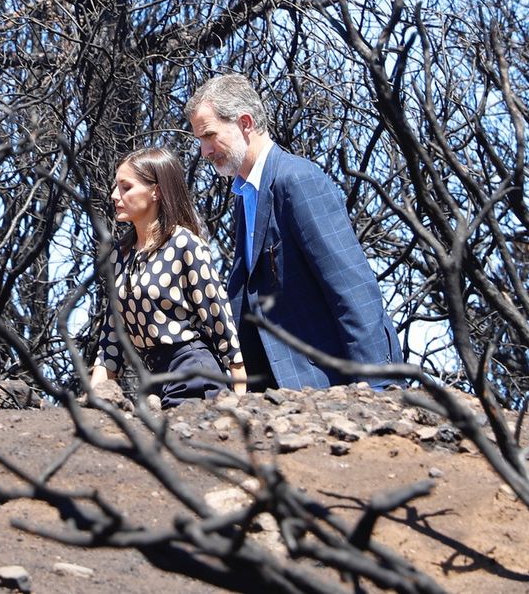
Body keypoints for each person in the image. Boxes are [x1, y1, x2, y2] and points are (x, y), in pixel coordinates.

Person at [185, 74, 403, 390]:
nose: (204, 151)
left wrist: (376, 388)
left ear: (245, 123)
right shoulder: (245, 196)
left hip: (331, 385)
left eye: (209, 135)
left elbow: (352, 289)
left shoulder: (297, 180)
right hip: (279, 392)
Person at [90, 147, 247, 407]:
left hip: (194, 373)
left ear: (156, 190)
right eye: (116, 187)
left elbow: (219, 319)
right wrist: (95, 399)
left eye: (126, 187)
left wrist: (241, 394)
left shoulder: (184, 243)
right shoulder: (121, 254)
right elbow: (112, 338)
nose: (114, 195)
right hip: (156, 381)